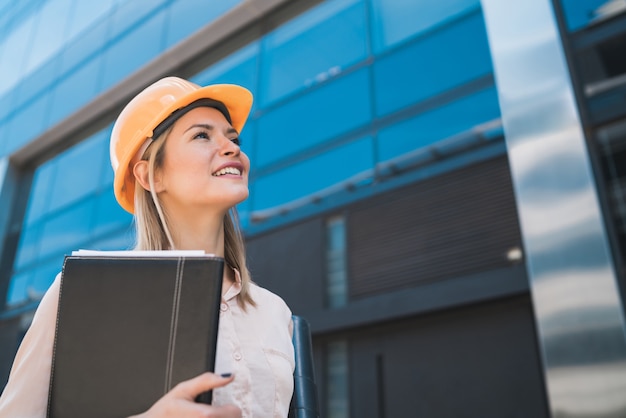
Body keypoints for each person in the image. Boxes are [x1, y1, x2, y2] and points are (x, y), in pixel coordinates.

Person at [0, 77, 295, 417]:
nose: (232, 148)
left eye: (233, 138)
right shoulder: (79, 294)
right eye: (202, 135)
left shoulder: (274, 311)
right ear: (151, 176)